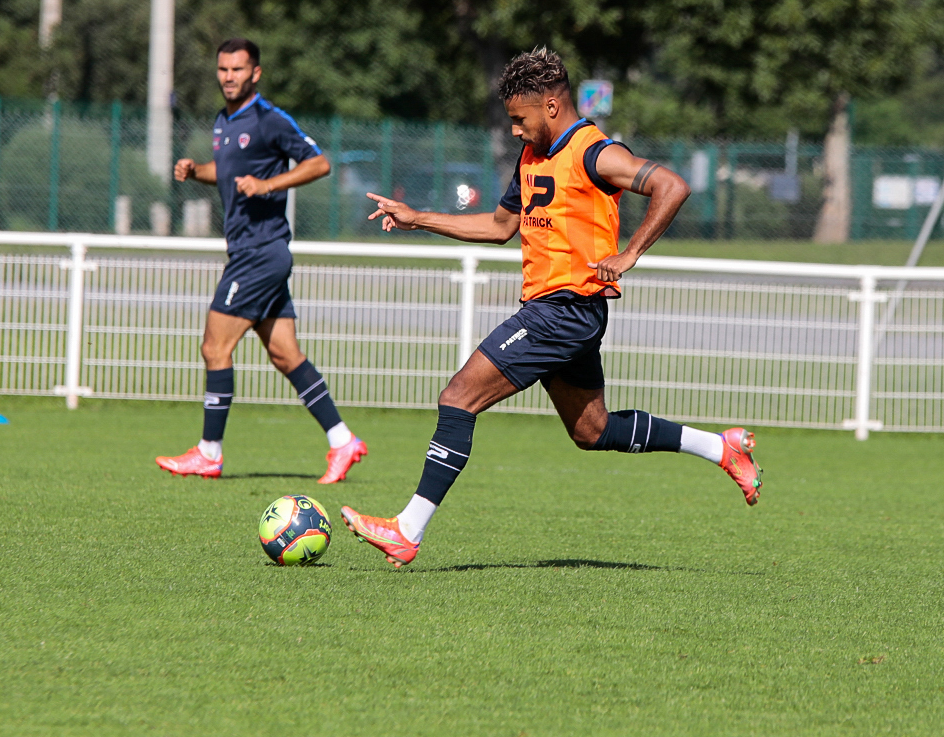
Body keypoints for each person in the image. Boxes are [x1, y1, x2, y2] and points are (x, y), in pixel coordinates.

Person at [340, 47, 761, 566]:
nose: (515, 130)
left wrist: (630, 253)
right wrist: (417, 218)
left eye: (520, 119)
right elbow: (499, 227)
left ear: (552, 107)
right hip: (560, 311)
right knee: (593, 431)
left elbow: (672, 186)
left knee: (458, 397)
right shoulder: (533, 156)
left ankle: (407, 529)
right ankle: (722, 449)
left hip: (564, 310)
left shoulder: (593, 152)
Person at [154, 38, 368, 484]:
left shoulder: (271, 121)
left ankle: (209, 453)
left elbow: (319, 164)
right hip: (254, 251)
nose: (229, 76)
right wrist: (198, 172)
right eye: (223, 69)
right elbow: (229, 172)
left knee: (215, 347)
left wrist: (269, 185)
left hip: (259, 252)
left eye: (237, 69)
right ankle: (343, 441)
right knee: (285, 355)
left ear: (256, 73)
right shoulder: (223, 121)